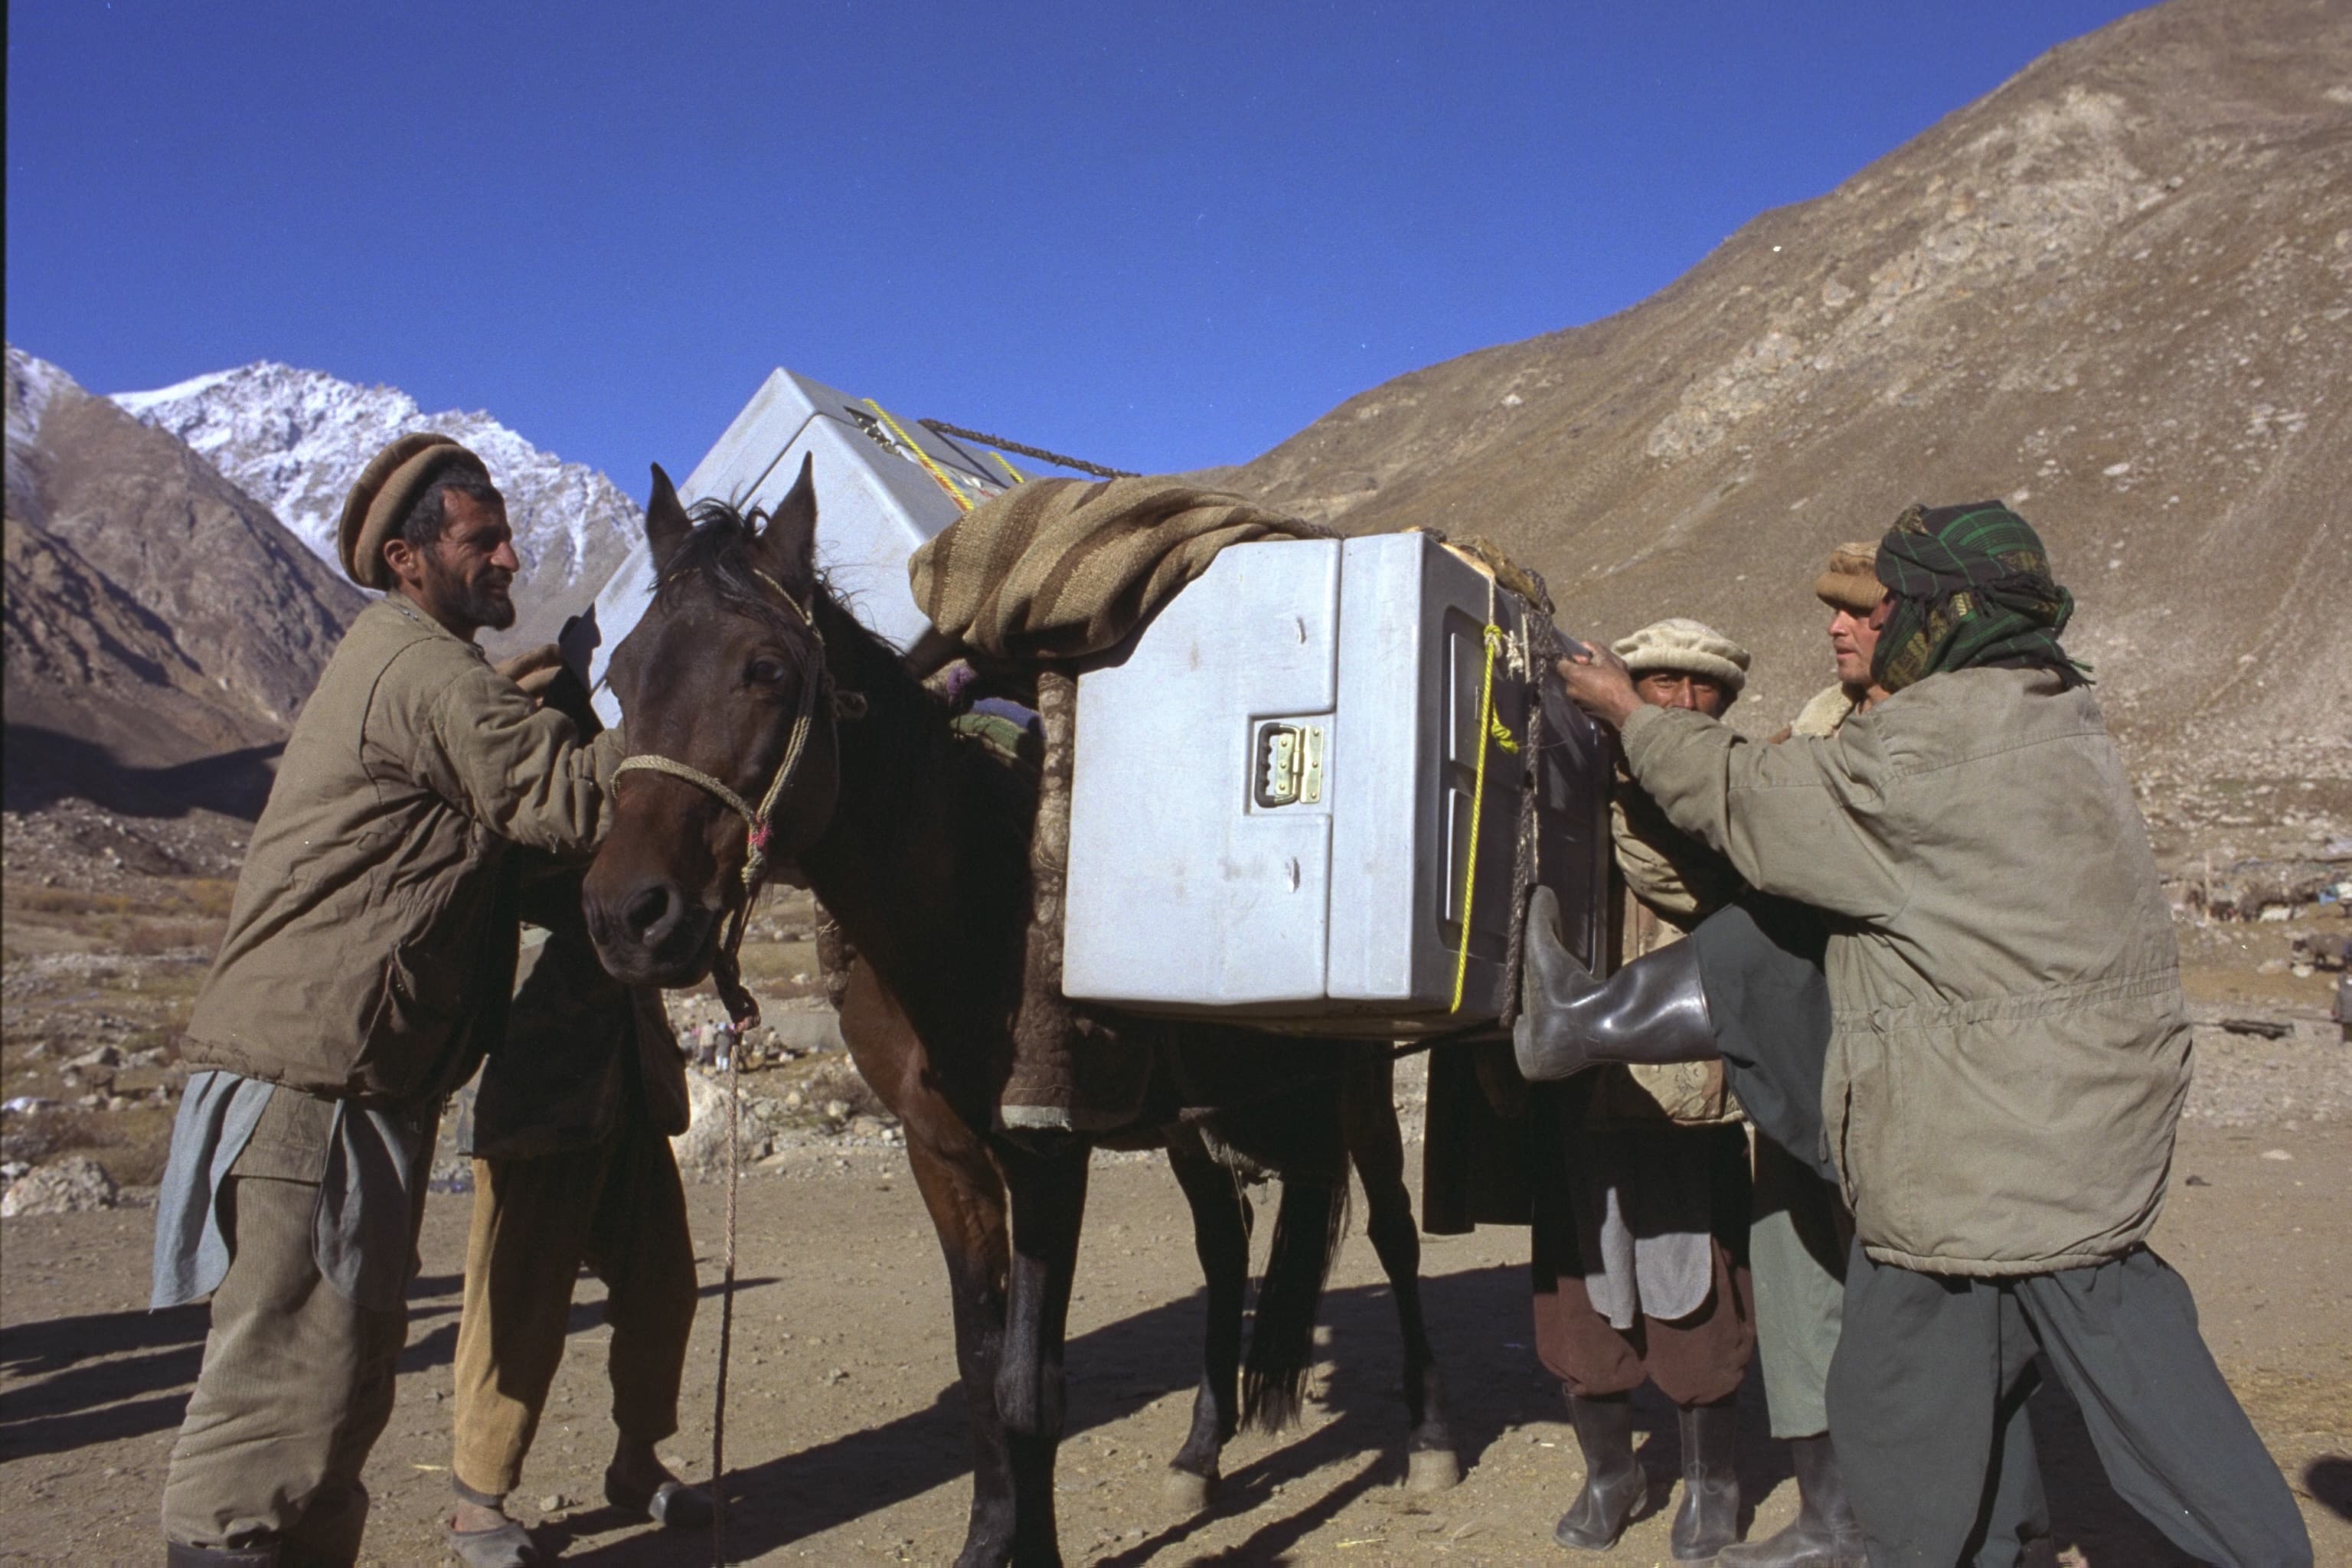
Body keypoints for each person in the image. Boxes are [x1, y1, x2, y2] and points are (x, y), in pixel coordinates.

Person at [1527, 501, 2311, 1567]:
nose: (1875, 623)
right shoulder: (2048, 716)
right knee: (2070, 1400)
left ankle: (1579, 1022)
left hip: (1979, 1165)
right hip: (2071, 1140)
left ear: (1946, 612)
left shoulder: (1929, 745)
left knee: (1919, 1410)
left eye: (1895, 604)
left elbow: (1749, 799)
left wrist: (1627, 710)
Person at [152, 435, 626, 1568]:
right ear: (411, 559)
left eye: (508, 533)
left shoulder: (415, 664)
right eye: (483, 539)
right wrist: (693, 705)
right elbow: (561, 799)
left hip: (350, 1083)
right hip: (309, 1085)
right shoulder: (418, 669)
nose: (510, 555)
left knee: (344, 1395)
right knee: (276, 1409)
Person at [1530, 618, 1754, 1560]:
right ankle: (1612, 1470)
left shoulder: (1735, 792)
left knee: (1692, 1278)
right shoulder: (1571, 787)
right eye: (1657, 683)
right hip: (1582, 1084)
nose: (1678, 702)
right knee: (1581, 1281)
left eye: (1700, 690)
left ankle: (1712, 1479)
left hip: (1683, 1080)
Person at [445, 825, 710, 1563]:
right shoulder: (523, 773)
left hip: (629, 1076)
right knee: (518, 1297)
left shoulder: (637, 780)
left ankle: (636, 1464)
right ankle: (478, 1499)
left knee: (664, 1287)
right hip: (537, 1076)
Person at [1718, 544, 1885, 1568]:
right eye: (1832, 612)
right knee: (1794, 1282)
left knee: (1919, 1298)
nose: (1835, 628)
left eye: (1859, 613)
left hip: (1902, 1067)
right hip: (1800, 1065)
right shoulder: (1810, 732)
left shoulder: (1941, 736)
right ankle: (1828, 1519)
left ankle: (1951, 1514)